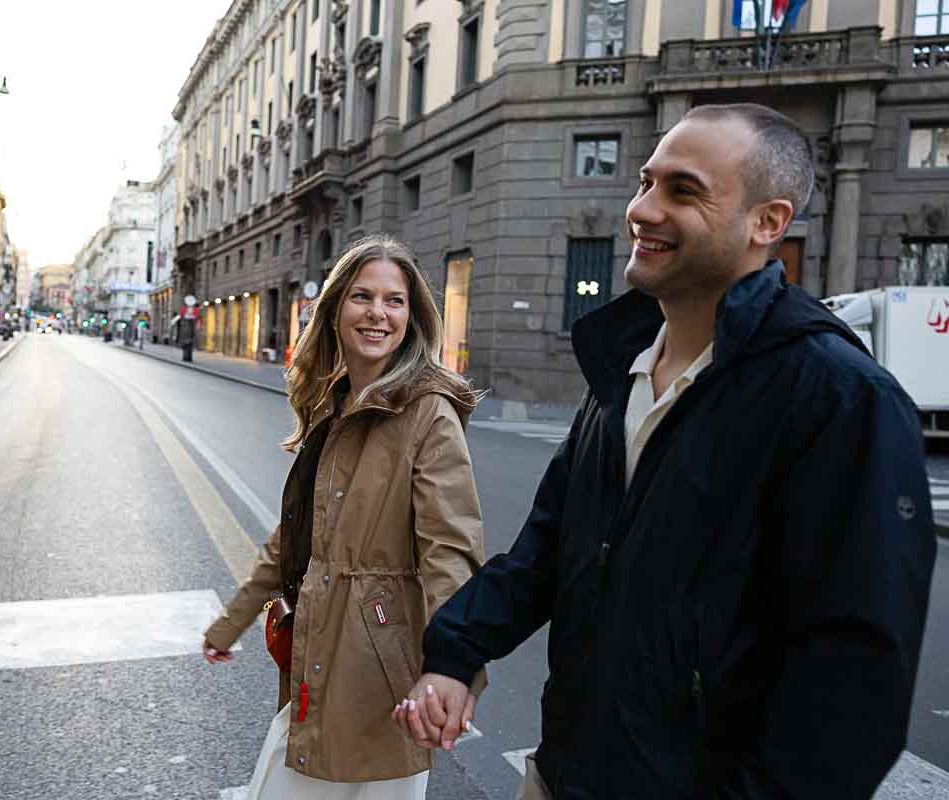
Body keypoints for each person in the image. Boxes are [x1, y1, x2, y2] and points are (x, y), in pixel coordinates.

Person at [395, 103, 937, 799]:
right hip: (564, 776)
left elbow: (851, 681)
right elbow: (548, 551)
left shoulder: (838, 397)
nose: (643, 209)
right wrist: (454, 655)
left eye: (683, 191)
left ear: (767, 223)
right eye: (646, 182)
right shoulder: (621, 369)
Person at [203, 234, 487, 798]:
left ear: (412, 316)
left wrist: (456, 668)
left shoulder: (428, 413)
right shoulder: (333, 406)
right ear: (335, 310)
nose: (378, 313)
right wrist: (232, 619)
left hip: (382, 677)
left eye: (395, 300)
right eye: (362, 296)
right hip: (318, 657)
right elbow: (295, 540)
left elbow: (450, 555)